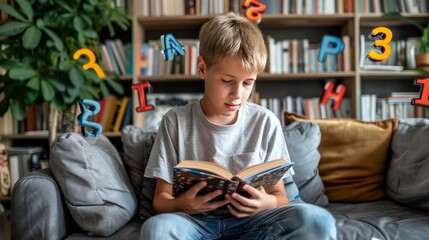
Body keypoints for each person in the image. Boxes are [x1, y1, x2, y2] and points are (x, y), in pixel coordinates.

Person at [140, 12, 337, 240]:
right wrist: (183, 204)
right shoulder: (175, 121)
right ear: (203, 68)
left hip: (253, 224)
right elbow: (160, 200)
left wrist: (267, 203)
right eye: (227, 81)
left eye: (248, 83)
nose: (238, 94)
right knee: (157, 229)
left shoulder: (265, 122)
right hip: (194, 223)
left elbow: (281, 197)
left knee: (317, 221)